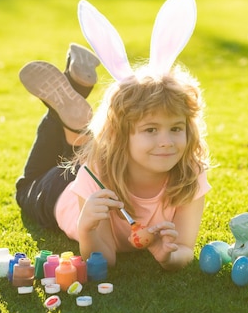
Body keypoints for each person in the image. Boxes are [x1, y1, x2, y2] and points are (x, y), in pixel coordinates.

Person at [15, 44, 211, 271]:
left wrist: (169, 256)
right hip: (58, 190)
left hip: (103, 163)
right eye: (151, 130)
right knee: (26, 187)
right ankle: (61, 110)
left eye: (176, 128)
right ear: (120, 135)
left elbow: (185, 248)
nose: (166, 141)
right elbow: (104, 258)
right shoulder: (96, 174)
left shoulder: (190, 173)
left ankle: (75, 111)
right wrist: (86, 227)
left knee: (80, 153)